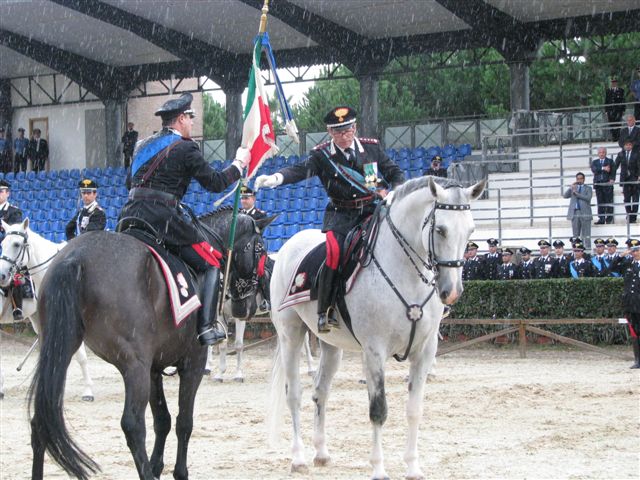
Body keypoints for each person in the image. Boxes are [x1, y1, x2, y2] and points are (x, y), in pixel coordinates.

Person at [254, 106, 405, 333]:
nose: (344, 136)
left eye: (348, 130)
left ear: (355, 128)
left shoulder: (370, 148)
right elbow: (298, 170)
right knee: (334, 253)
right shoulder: (322, 155)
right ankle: (325, 309)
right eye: (338, 132)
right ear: (330, 132)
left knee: (400, 241)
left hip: (371, 211)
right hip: (341, 215)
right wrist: (276, 178)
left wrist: (395, 191)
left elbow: (395, 173)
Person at [119, 93, 251, 346]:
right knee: (211, 262)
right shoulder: (186, 147)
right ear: (181, 119)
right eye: (191, 118)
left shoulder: (142, 146)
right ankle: (206, 327)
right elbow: (214, 183)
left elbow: (129, 183)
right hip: (163, 219)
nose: (192, 123)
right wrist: (238, 164)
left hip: (129, 215)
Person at [610, 239, 640, 369]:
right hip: (630, 304)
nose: (635, 253)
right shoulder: (627, 264)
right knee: (635, 332)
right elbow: (611, 267)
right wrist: (621, 255)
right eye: (632, 251)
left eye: (637, 250)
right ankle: (638, 360)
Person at [0, 180, 26, 321]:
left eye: (1, 191)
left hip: (9, 251)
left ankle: (17, 308)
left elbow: (14, 234)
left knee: (16, 274)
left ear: (7, 193)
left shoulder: (14, 211)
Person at [614, 138, 639, 224]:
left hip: (634, 179)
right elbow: (615, 166)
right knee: (627, 199)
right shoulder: (620, 154)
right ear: (624, 146)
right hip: (625, 179)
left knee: (635, 199)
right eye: (626, 145)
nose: (628, 146)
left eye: (629, 145)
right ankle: (629, 214)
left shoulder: (636, 154)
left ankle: (633, 217)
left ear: (632, 146)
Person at [563, 172, 592, 245]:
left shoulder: (588, 188)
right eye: (578, 179)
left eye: (581, 179)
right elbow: (565, 196)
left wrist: (577, 194)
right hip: (575, 212)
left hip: (585, 212)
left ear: (584, 179)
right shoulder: (573, 188)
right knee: (575, 235)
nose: (579, 180)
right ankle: (576, 249)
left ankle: (587, 250)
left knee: (586, 234)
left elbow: (588, 198)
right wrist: (571, 188)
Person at [590, 147, 616, 224]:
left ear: (606, 153)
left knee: (609, 201)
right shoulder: (595, 162)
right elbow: (594, 169)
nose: (601, 154)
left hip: (607, 184)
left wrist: (612, 179)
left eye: (603, 152)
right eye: (600, 152)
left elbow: (613, 171)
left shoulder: (610, 161)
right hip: (598, 184)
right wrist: (603, 168)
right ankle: (601, 219)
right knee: (600, 202)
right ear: (598, 153)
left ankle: (609, 219)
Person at [605, 77, 625, 141]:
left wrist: (623, 109)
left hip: (618, 109)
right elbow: (606, 101)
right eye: (612, 82)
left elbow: (623, 100)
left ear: (616, 83)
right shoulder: (608, 90)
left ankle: (618, 136)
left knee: (618, 122)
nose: (613, 83)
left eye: (615, 82)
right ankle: (613, 136)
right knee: (611, 123)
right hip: (610, 109)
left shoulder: (621, 90)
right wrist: (606, 111)